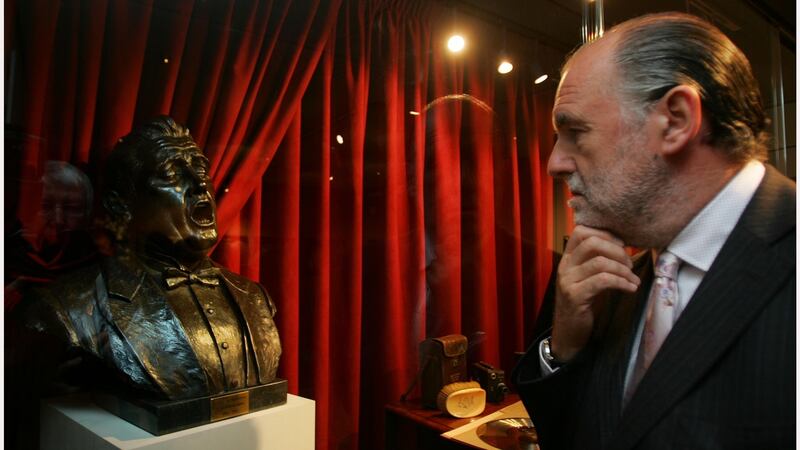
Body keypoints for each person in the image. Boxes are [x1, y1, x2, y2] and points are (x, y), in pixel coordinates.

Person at [512, 12, 794, 450]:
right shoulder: (611, 278)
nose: (554, 163)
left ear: (676, 120)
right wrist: (564, 346)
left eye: (574, 132)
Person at [25, 116, 282, 400]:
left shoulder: (255, 297)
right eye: (173, 174)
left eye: (201, 168)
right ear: (120, 204)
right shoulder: (72, 309)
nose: (200, 183)